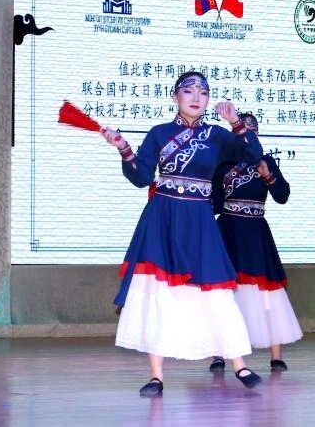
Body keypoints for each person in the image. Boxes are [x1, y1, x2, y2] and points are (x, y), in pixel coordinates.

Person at [102, 72, 262, 396]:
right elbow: (141, 177)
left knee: (216, 291)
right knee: (158, 294)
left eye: (203, 93)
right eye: (188, 91)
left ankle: (239, 364)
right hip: (163, 218)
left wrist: (236, 123)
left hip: (200, 219)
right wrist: (123, 148)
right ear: (175, 96)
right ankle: (156, 376)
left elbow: (254, 156)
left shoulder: (217, 136)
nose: (196, 97)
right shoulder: (159, 133)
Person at [209, 113, 302, 373]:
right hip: (228, 230)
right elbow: (215, 205)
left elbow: (282, 195)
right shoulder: (223, 164)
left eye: (252, 131)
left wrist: (268, 176)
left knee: (267, 293)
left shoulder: (266, 161)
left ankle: (276, 355)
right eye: (242, 131)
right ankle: (218, 353)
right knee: (224, 292)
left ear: (257, 134)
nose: (247, 135)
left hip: (257, 232)